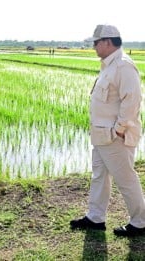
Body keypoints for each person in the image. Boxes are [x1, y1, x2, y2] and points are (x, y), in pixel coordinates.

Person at [70, 24, 145, 237]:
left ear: (108, 42)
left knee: (126, 179)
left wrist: (119, 130)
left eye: (95, 42)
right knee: (99, 176)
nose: (93, 47)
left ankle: (141, 222)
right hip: (102, 135)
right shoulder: (109, 66)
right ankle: (95, 218)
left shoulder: (123, 67)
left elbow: (132, 101)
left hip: (115, 137)